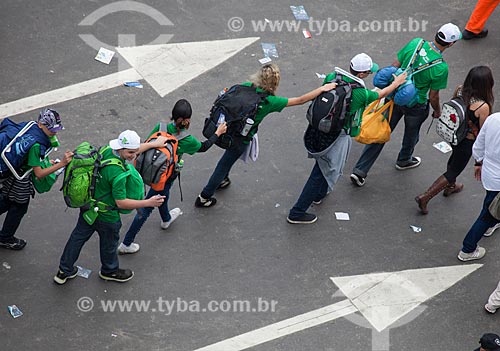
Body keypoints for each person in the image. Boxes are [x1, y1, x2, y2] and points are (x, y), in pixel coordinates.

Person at [194, 63, 337, 208]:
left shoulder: (245, 85)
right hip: (240, 138)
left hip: (225, 129)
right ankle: (205, 196)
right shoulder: (269, 101)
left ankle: (222, 179)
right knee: (224, 164)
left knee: (226, 162)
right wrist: (322, 89)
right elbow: (300, 100)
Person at [287, 54, 407, 224]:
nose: (369, 74)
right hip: (335, 136)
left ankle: (319, 194)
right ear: (361, 74)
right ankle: (297, 212)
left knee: (323, 166)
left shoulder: (332, 77)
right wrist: (396, 83)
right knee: (321, 171)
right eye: (368, 72)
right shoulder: (360, 93)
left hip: (316, 128)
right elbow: (382, 94)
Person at [350, 23, 462, 187]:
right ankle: (404, 160)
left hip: (395, 94)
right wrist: (437, 111)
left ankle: (360, 171)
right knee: (411, 134)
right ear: (451, 43)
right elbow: (433, 95)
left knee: (381, 130)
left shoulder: (416, 43)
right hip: (416, 105)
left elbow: (395, 65)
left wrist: (389, 88)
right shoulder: (440, 68)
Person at [54, 130, 167, 284]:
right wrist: (148, 202)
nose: (133, 156)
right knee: (109, 243)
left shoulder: (107, 150)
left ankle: (63, 270)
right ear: (121, 149)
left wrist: (154, 144)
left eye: (134, 152)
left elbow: (134, 148)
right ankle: (109, 271)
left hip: (88, 206)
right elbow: (121, 202)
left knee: (77, 237)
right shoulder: (118, 173)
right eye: (130, 153)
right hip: (107, 215)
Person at [117, 99, 227, 254]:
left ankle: (166, 219)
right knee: (147, 207)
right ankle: (126, 243)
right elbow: (204, 147)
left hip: (149, 171)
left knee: (163, 194)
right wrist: (218, 133)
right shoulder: (187, 140)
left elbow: (149, 142)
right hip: (164, 177)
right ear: (187, 120)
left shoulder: (160, 127)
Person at [415, 66, 494, 214]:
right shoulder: (483, 106)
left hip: (454, 135)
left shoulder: (460, 89)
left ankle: (451, 186)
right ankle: (425, 197)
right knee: (455, 169)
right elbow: (484, 130)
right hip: (468, 141)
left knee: (454, 159)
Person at [0, 109, 72, 250]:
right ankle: (5, 238)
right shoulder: (37, 145)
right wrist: (61, 164)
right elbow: (39, 174)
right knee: (19, 206)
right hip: (19, 179)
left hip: (12, 171)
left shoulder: (31, 127)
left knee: (7, 199)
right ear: (41, 124)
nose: (54, 132)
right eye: (51, 129)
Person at [457, 112, 500, 262]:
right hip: (497, 179)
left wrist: (478, 162)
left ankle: (492, 224)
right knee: (487, 213)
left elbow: (479, 144)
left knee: (491, 203)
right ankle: (467, 249)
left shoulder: (494, 118)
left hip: (489, 172)